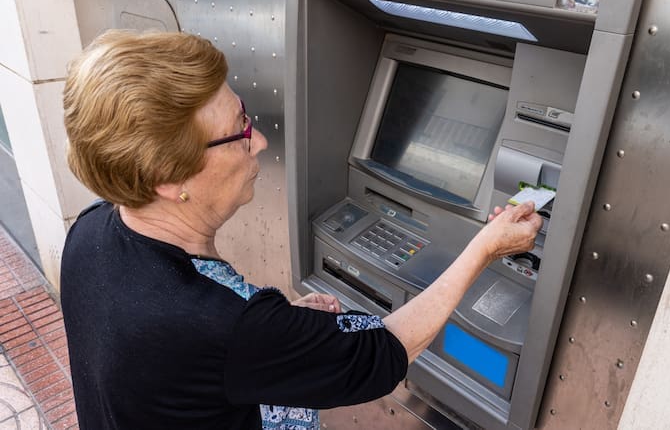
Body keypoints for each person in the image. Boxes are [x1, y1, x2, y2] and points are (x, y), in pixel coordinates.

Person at [60, 29, 542, 430]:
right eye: (239, 131)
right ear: (169, 176)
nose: (261, 141)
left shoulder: (91, 233)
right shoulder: (228, 327)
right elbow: (380, 357)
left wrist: (281, 336)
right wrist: (484, 249)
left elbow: (183, 366)